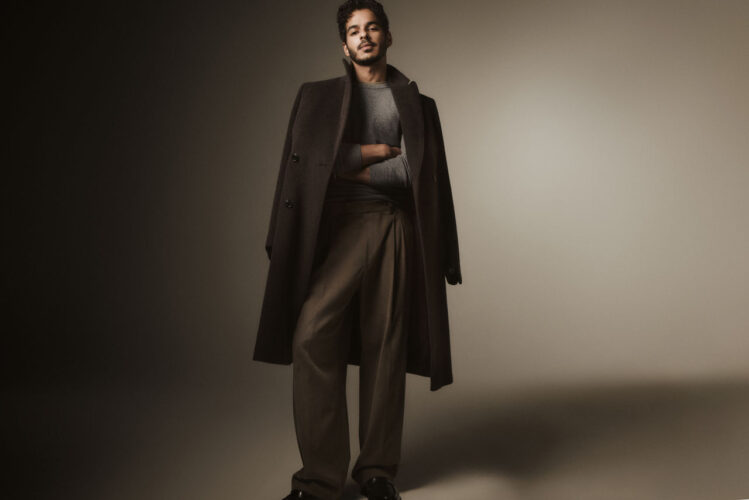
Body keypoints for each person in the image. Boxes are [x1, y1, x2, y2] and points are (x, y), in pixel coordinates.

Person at [253, 1, 462, 499]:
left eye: (372, 28)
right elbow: (303, 166)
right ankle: (319, 478)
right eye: (353, 30)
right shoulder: (316, 98)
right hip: (334, 232)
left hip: (392, 226)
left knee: (385, 345)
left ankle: (377, 472)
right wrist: (371, 153)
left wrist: (345, 167)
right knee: (311, 335)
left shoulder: (418, 105)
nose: (364, 36)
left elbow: (417, 175)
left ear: (388, 36)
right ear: (344, 46)